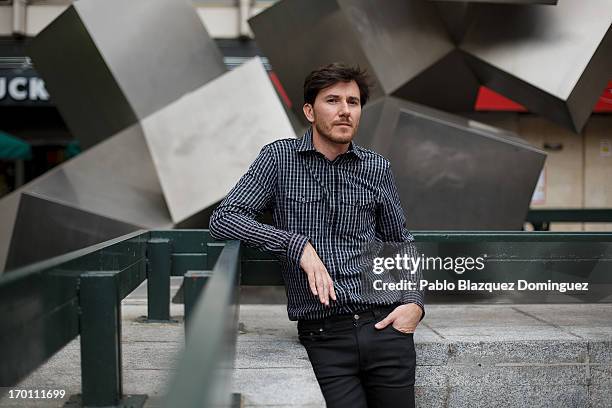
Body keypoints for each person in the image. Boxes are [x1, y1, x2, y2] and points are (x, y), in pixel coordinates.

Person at [209, 62, 424, 408]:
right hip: (324, 336)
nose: (344, 111)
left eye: (353, 103)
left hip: (385, 327)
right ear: (310, 111)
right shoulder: (278, 159)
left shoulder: (376, 167)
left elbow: (400, 241)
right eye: (333, 101)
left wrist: (413, 302)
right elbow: (225, 218)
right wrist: (296, 245)